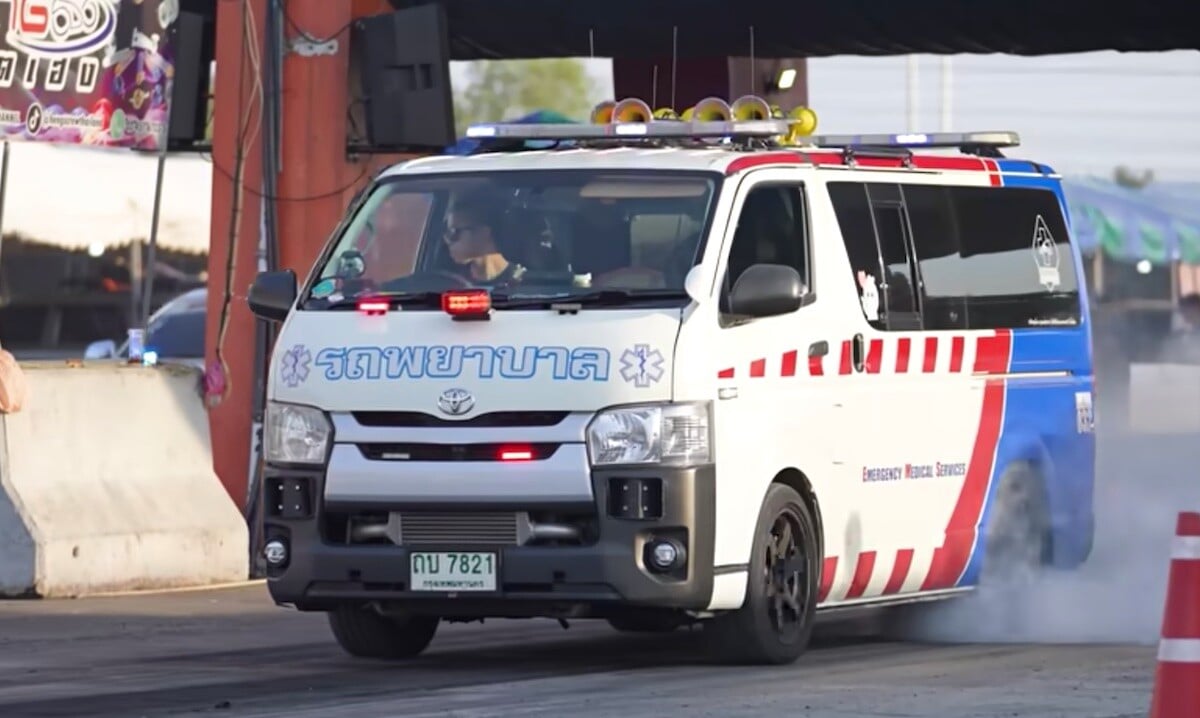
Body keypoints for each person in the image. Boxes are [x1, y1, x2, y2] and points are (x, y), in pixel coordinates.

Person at [443, 196, 526, 286]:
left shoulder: (524, 276)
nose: (447, 239)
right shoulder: (447, 277)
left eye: (454, 231)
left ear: (484, 232)